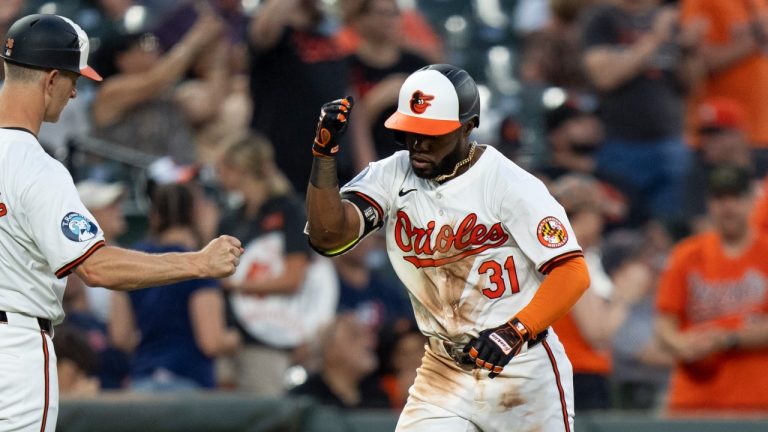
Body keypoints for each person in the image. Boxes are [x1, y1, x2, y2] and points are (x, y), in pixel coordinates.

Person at [305, 64, 591, 431]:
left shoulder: (510, 184)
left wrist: (517, 330)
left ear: (467, 126)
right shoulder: (391, 174)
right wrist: (324, 157)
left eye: (431, 134)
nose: (418, 144)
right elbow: (328, 237)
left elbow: (572, 272)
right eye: (410, 132)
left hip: (522, 366)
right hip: (444, 366)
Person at [0, 14, 242, 431]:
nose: (76, 92)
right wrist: (197, 263)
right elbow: (96, 267)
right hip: (14, 345)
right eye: (73, 78)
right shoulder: (36, 166)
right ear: (51, 79)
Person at [216, 132, 338, 396]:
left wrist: (236, 285)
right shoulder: (230, 219)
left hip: (268, 342)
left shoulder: (290, 212)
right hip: (230, 338)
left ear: (240, 170)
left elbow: (293, 279)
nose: (218, 176)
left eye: (224, 168)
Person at [656, 165, 768, 412]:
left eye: (735, 197)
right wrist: (682, 344)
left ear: (752, 200)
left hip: (757, 402)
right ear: (709, 203)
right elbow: (664, 326)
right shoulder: (686, 254)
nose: (728, 207)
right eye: (720, 198)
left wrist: (728, 339)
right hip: (693, 400)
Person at [109, 183, 241, 392]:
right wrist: (241, 338)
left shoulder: (134, 259)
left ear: (155, 214)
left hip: (141, 383)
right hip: (187, 385)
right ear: (195, 214)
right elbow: (211, 341)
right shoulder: (203, 264)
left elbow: (120, 336)